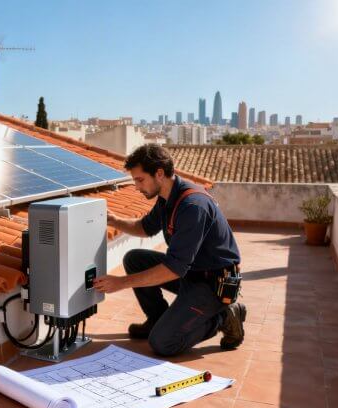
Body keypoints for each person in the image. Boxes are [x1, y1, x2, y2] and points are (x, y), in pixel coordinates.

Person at [93, 144, 245, 357]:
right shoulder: (167, 197)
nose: (136, 187)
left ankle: (223, 317)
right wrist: (115, 220)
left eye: (139, 179)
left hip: (214, 285)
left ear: (159, 173)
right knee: (135, 258)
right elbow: (145, 228)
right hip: (192, 274)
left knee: (163, 343)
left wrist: (120, 283)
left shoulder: (192, 206)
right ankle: (157, 318)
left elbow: (173, 269)